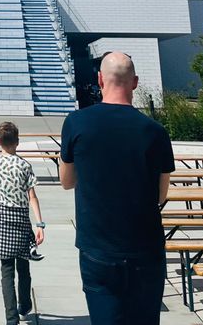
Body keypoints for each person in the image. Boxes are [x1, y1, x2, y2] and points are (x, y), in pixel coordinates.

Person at [60, 51, 174, 325]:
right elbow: (161, 194)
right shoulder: (155, 131)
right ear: (134, 82)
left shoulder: (76, 123)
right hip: (145, 248)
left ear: (99, 79)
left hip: (98, 248)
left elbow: (67, 181)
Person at [0, 121, 45, 325]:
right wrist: (40, 224)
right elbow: (32, 197)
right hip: (21, 220)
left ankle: (11, 318)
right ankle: (25, 306)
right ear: (17, 142)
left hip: (2, 218)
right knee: (24, 266)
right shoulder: (24, 165)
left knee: (6, 271)